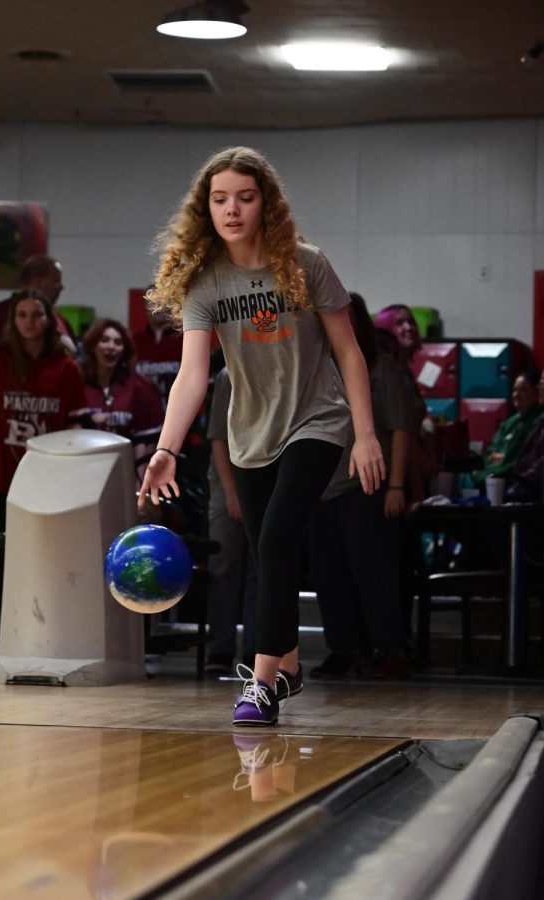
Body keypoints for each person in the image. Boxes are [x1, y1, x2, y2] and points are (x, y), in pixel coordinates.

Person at [137, 146, 384, 727]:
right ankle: (290, 664)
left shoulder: (306, 263)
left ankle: (263, 683)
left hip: (317, 421)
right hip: (248, 432)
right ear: (206, 209)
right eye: (219, 199)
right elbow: (193, 375)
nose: (232, 209)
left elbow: (349, 351)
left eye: (244, 197)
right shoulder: (206, 282)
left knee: (275, 540)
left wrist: (366, 433)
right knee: (263, 552)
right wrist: (165, 450)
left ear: (265, 203)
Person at [0, 288, 87, 669]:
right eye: (21, 314)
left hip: (48, 481)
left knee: (46, 561)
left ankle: (43, 638)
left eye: (36, 314)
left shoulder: (67, 367)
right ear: (13, 321)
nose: (28, 320)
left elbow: (75, 425)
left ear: (49, 319)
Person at [308, 293, 412, 679]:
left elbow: (401, 428)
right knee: (328, 574)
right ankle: (344, 649)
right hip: (319, 487)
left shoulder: (379, 367)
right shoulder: (317, 366)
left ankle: (390, 647)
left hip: (367, 486)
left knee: (374, 572)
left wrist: (397, 486)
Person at [204, 367, 257, 676]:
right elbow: (218, 439)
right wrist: (232, 494)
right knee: (223, 566)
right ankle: (220, 649)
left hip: (265, 476)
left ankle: (256, 650)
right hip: (230, 479)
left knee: (261, 571)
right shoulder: (228, 375)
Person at [374, 304, 434, 501]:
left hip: (411, 470)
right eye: (399, 323)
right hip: (395, 475)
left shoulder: (405, 372)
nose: (409, 328)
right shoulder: (385, 373)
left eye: (411, 322)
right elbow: (401, 431)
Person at [81, 318, 164, 459]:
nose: (111, 347)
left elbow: (146, 441)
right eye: (104, 340)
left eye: (118, 343)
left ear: (124, 350)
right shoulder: (79, 382)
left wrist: (139, 479)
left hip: (124, 468)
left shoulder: (139, 386)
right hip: (84, 466)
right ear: (93, 346)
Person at [0, 254, 75, 351]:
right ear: (38, 283)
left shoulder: (60, 320)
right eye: (56, 281)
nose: (61, 287)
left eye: (38, 315)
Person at [471, 371, 542, 485]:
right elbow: (490, 454)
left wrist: (500, 460)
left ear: (536, 393)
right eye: (515, 390)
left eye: (523, 390)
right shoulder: (509, 423)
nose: (516, 395)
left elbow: (516, 460)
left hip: (512, 480)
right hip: (491, 476)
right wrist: (499, 458)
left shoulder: (538, 422)